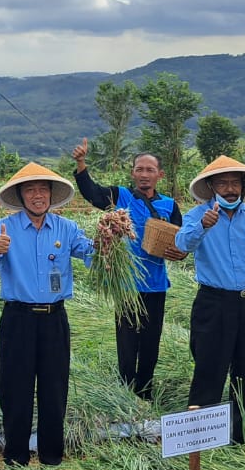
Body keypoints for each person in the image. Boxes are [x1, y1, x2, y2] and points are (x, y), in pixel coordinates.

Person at [0, 162, 94, 467]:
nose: (37, 195)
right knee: (16, 389)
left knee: (54, 389)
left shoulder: (66, 229)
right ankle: (15, 457)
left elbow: (92, 254)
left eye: (43, 189)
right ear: (21, 195)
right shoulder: (5, 228)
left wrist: (111, 239)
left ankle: (52, 456)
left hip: (55, 319)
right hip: (18, 320)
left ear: (51, 195)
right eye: (30, 189)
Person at [174, 156, 245, 445]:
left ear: (244, 186)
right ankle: (201, 443)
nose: (230, 188)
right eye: (222, 183)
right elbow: (182, 244)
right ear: (211, 187)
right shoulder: (198, 215)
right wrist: (203, 226)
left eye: (235, 182)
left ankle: (240, 438)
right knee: (209, 370)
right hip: (214, 305)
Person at [72, 141, 183, 399]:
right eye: (139, 169)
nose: (144, 174)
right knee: (127, 341)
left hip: (155, 284)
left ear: (160, 175)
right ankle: (125, 392)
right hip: (126, 284)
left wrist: (180, 253)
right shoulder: (120, 196)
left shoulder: (169, 205)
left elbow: (181, 239)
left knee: (150, 341)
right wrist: (81, 165)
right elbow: (92, 193)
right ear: (132, 173)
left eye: (150, 170)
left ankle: (145, 391)